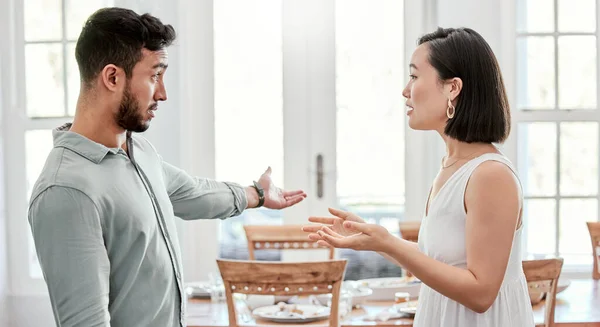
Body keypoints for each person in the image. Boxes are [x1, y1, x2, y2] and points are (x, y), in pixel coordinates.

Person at [28, 7, 306, 327]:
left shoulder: (137, 152)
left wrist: (257, 193)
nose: (163, 93)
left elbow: (192, 192)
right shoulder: (66, 191)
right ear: (113, 77)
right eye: (155, 75)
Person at [303, 27, 535, 327]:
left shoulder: (491, 175)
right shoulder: (452, 166)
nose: (405, 89)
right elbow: (443, 263)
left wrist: (388, 243)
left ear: (452, 88)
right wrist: (375, 240)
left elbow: (480, 293)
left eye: (414, 76)